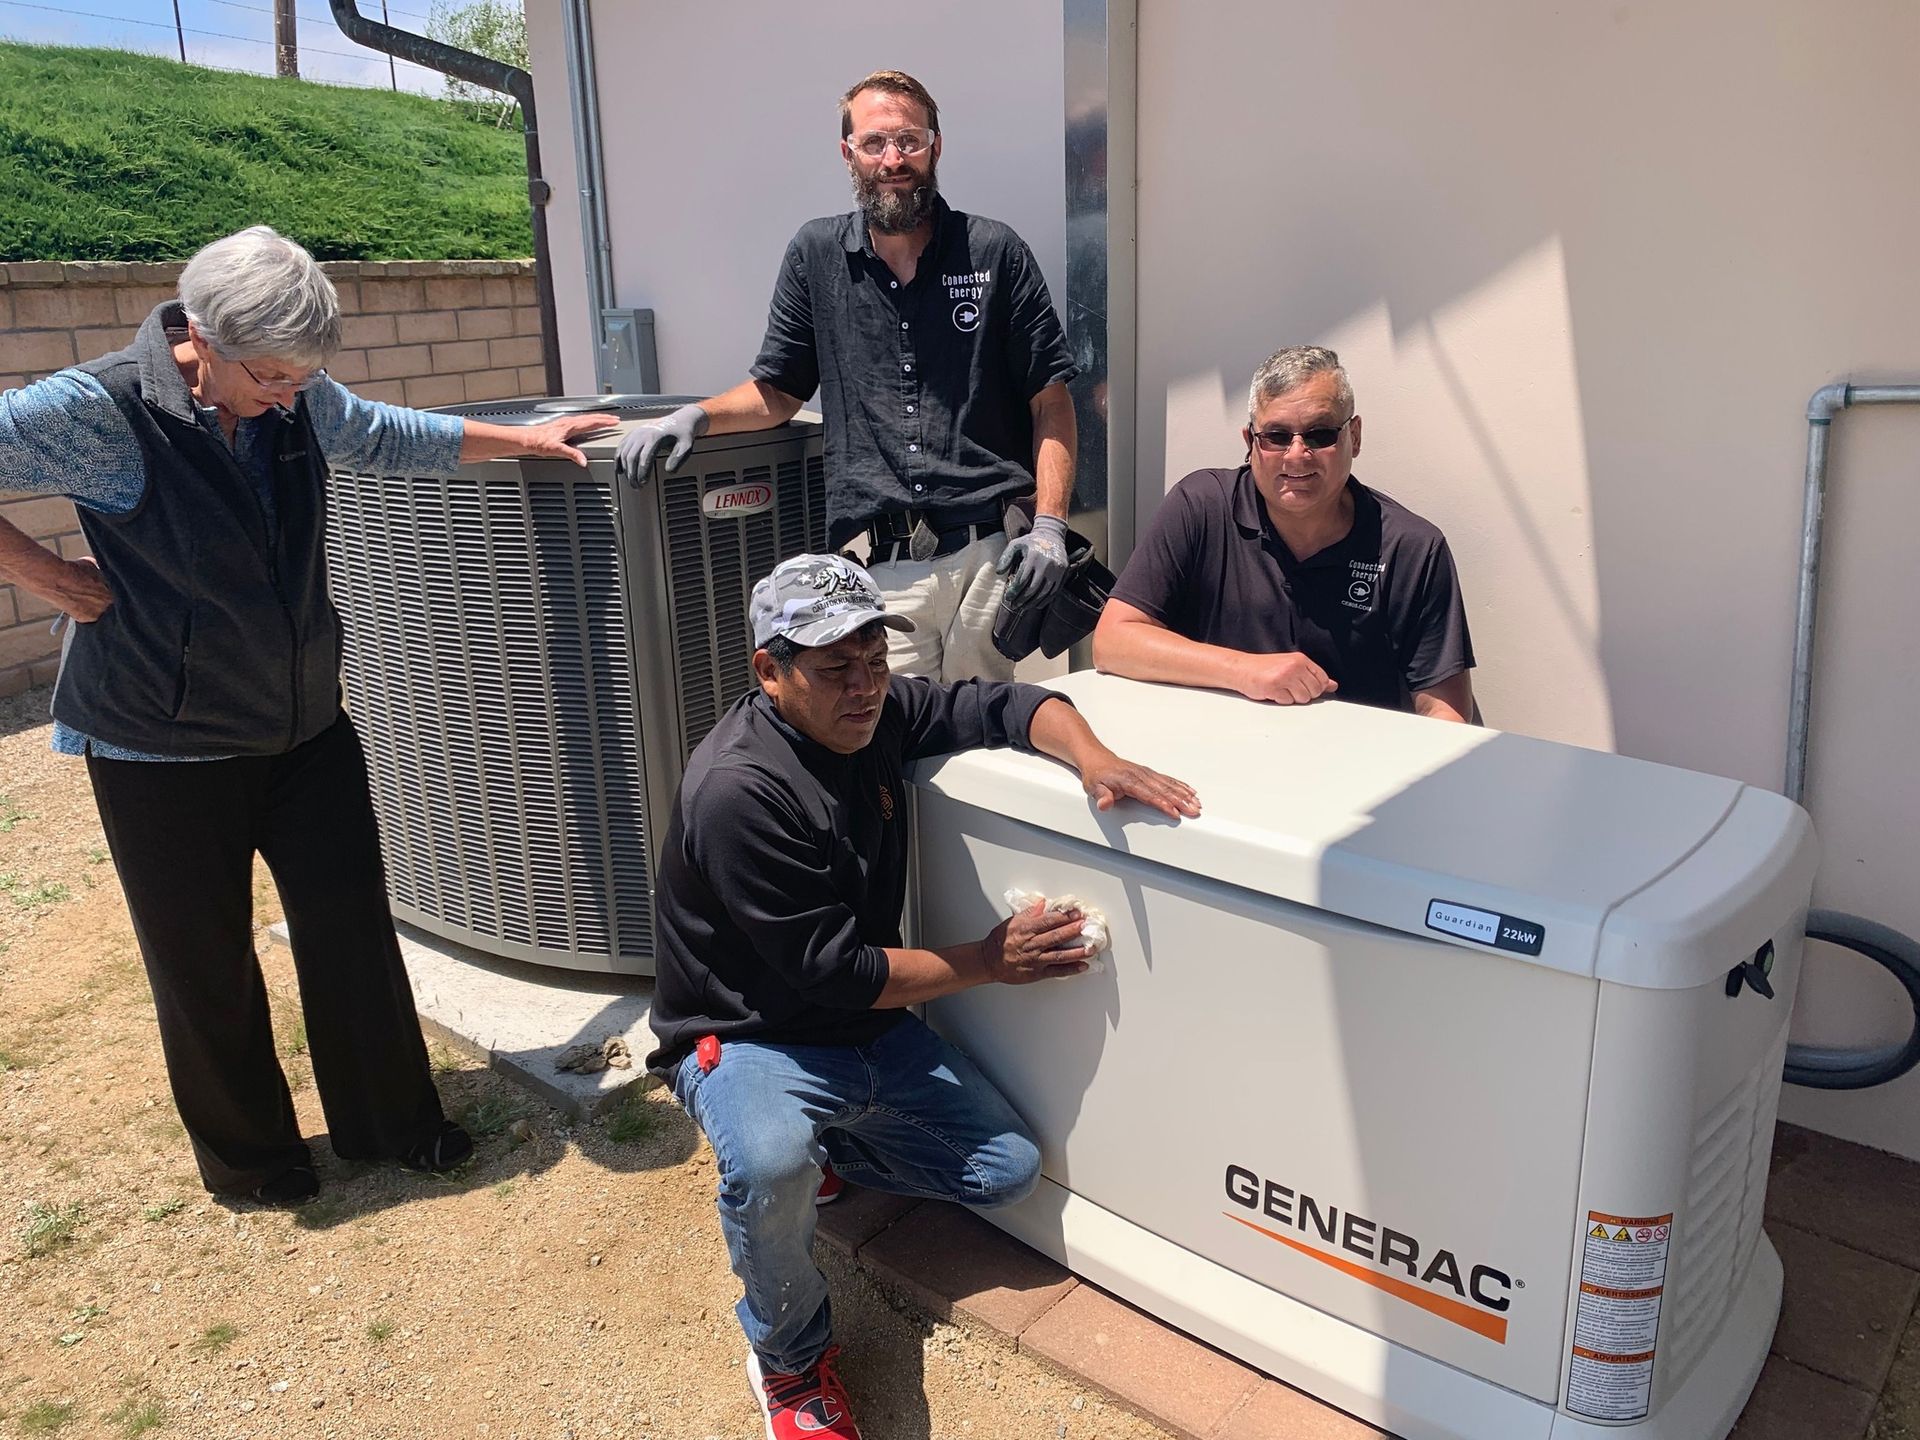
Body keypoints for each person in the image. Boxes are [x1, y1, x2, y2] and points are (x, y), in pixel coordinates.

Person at [0, 225, 615, 1206]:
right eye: (273, 377)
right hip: (159, 745)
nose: (292, 397)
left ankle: (395, 1127)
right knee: (204, 965)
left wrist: (529, 440)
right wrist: (39, 572)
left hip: (303, 729)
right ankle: (254, 1162)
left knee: (350, 931)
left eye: (304, 377)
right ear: (201, 339)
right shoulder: (101, 408)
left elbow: (382, 433)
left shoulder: (294, 399)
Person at [650, 553, 1199, 1440]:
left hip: (862, 1032)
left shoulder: (879, 713)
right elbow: (841, 972)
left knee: (1006, 1170)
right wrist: (990, 959)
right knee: (769, 1164)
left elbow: (1012, 706)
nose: (864, 688)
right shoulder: (738, 792)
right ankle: (788, 1363)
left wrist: (1098, 760)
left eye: (876, 659)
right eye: (835, 669)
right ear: (769, 671)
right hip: (750, 1038)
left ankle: (822, 1155)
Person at [617, 69, 1079, 683]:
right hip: (882, 572)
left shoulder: (995, 251)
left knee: (987, 745)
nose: (894, 159)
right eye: (874, 143)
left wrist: (1048, 527)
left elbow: (1050, 399)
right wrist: (697, 416)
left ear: (936, 146)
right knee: (884, 741)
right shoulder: (815, 255)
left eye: (910, 141)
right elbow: (777, 391)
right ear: (849, 154)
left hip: (991, 561)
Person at [1093, 345, 1477, 721]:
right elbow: (1112, 641)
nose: (1296, 454)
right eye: (1276, 436)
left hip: (1358, 771)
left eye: (1319, 434)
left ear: (1354, 437)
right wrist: (1246, 671)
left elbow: (1446, 714)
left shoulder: (1412, 548)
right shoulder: (1200, 507)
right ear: (1250, 442)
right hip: (1216, 756)